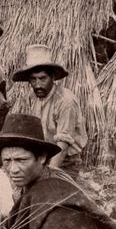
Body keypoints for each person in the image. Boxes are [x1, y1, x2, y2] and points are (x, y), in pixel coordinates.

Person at [11, 44, 87, 178]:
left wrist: (48, 176)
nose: (38, 85)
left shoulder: (65, 101)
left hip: (65, 163)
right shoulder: (35, 97)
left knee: (49, 189)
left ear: (52, 77)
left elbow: (63, 146)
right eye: (33, 79)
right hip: (43, 158)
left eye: (42, 78)